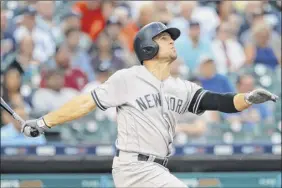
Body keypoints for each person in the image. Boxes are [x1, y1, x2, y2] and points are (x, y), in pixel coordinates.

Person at [20, 22, 278, 188]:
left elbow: (219, 101)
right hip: (135, 166)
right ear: (147, 46)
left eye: (170, 37)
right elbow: (85, 102)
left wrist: (247, 99)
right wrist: (43, 122)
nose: (171, 40)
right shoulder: (128, 77)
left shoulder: (181, 86)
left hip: (155, 167)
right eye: (164, 38)